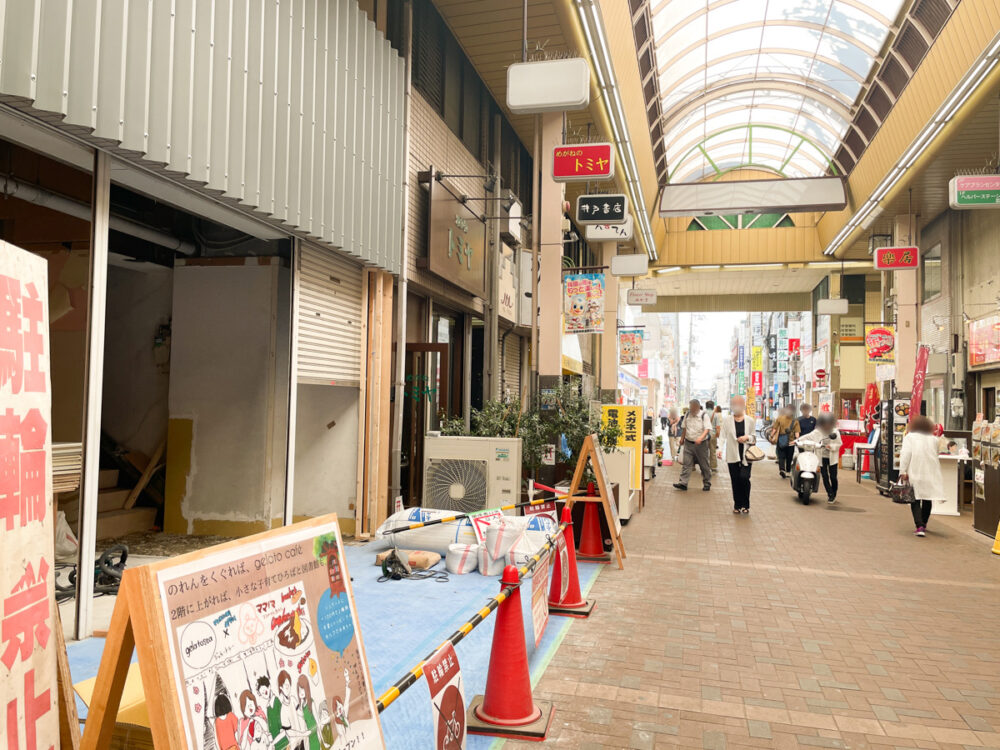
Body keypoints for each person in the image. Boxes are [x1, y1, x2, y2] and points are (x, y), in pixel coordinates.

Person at [899, 416, 945, 537]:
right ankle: (924, 523)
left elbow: (905, 454)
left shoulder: (910, 437)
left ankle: (919, 525)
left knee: (914, 498)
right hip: (931, 471)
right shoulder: (934, 439)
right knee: (927, 498)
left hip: (915, 470)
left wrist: (903, 470)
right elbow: (936, 454)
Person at [721, 396, 756, 513]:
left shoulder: (750, 420)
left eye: (739, 403)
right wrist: (719, 449)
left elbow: (754, 437)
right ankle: (737, 504)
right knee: (735, 480)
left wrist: (747, 438)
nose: (737, 405)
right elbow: (722, 436)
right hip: (732, 455)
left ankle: (746, 504)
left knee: (744, 478)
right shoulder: (727, 420)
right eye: (734, 403)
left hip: (747, 455)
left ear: (743, 404)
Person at [798, 413, 843, 503]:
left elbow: (839, 443)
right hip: (821, 457)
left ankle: (834, 492)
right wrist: (797, 440)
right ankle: (830, 494)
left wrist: (832, 446)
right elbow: (808, 436)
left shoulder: (835, 432)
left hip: (832, 458)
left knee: (833, 477)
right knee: (825, 476)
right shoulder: (817, 432)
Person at [674, 399, 713, 491]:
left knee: (704, 465)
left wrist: (701, 437)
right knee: (686, 464)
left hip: (701, 444)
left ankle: (707, 483)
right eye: (691, 407)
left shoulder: (704, 415)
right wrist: (682, 438)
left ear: (698, 407)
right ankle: (683, 483)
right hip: (688, 442)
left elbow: (707, 429)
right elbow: (684, 428)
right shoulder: (687, 414)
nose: (692, 409)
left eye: (694, 407)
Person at [770, 406, 800, 478]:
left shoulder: (780, 418)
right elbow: (797, 433)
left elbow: (774, 428)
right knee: (789, 457)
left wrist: (771, 436)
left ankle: (782, 469)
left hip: (781, 440)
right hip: (791, 442)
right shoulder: (795, 421)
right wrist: (797, 440)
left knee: (781, 456)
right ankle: (788, 471)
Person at [707, 401, 721, 473]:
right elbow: (718, 427)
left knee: (704, 452)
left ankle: (705, 466)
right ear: (713, 406)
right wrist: (717, 435)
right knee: (713, 451)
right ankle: (713, 467)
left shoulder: (703, 413)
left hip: (704, 435)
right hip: (712, 434)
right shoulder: (715, 415)